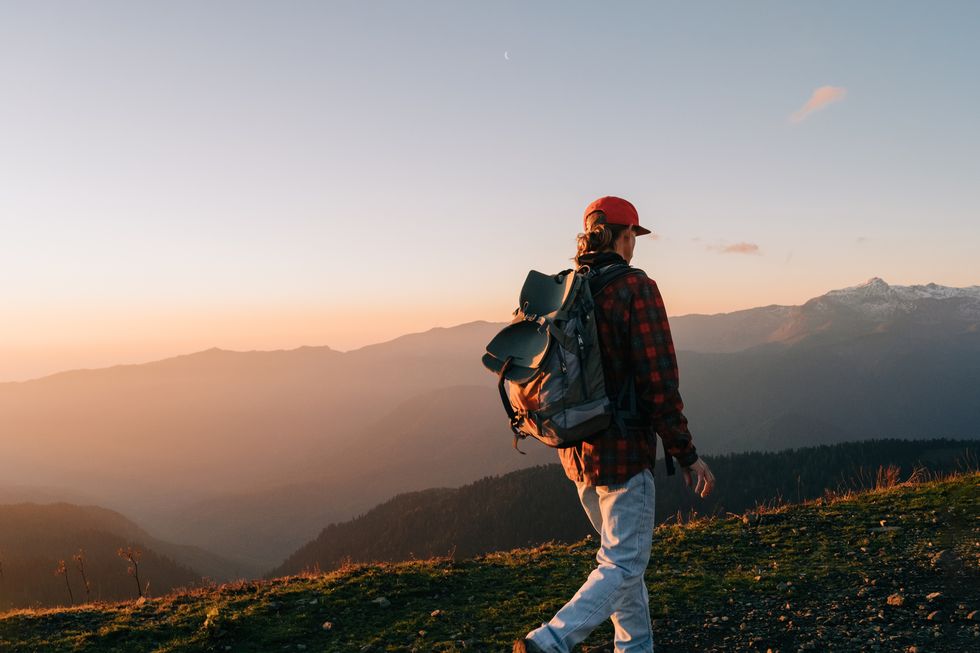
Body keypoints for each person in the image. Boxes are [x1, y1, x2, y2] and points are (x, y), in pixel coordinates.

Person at [514, 196, 716, 653]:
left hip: (577, 454)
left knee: (623, 564)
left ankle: (635, 648)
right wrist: (686, 454)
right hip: (624, 455)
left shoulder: (569, 290)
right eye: (634, 237)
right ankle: (549, 642)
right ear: (624, 236)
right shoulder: (635, 289)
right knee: (624, 565)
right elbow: (658, 381)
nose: (635, 246)